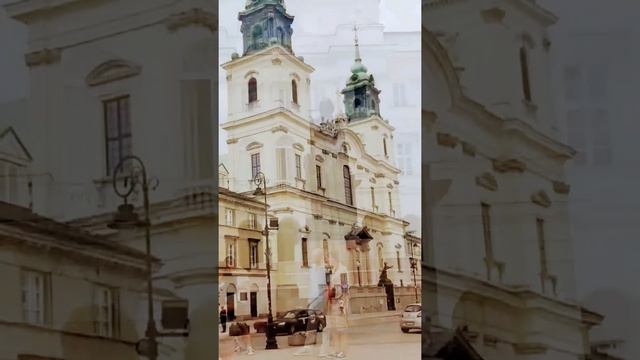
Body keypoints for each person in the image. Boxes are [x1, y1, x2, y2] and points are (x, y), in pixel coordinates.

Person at [294, 248, 329, 356]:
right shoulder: (312, 269)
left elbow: (324, 287)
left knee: (324, 324)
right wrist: (309, 300)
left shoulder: (324, 269)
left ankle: (324, 348)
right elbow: (311, 285)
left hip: (320, 299)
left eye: (316, 256)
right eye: (313, 256)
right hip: (313, 299)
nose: (314, 258)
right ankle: (308, 347)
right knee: (312, 323)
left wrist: (322, 301)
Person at [325, 251, 350, 359]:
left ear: (334, 258)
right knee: (334, 330)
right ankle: (337, 350)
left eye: (328, 258)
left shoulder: (342, 270)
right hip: (332, 303)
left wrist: (343, 304)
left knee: (341, 330)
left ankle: (343, 351)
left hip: (340, 303)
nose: (327, 261)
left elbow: (345, 288)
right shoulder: (332, 271)